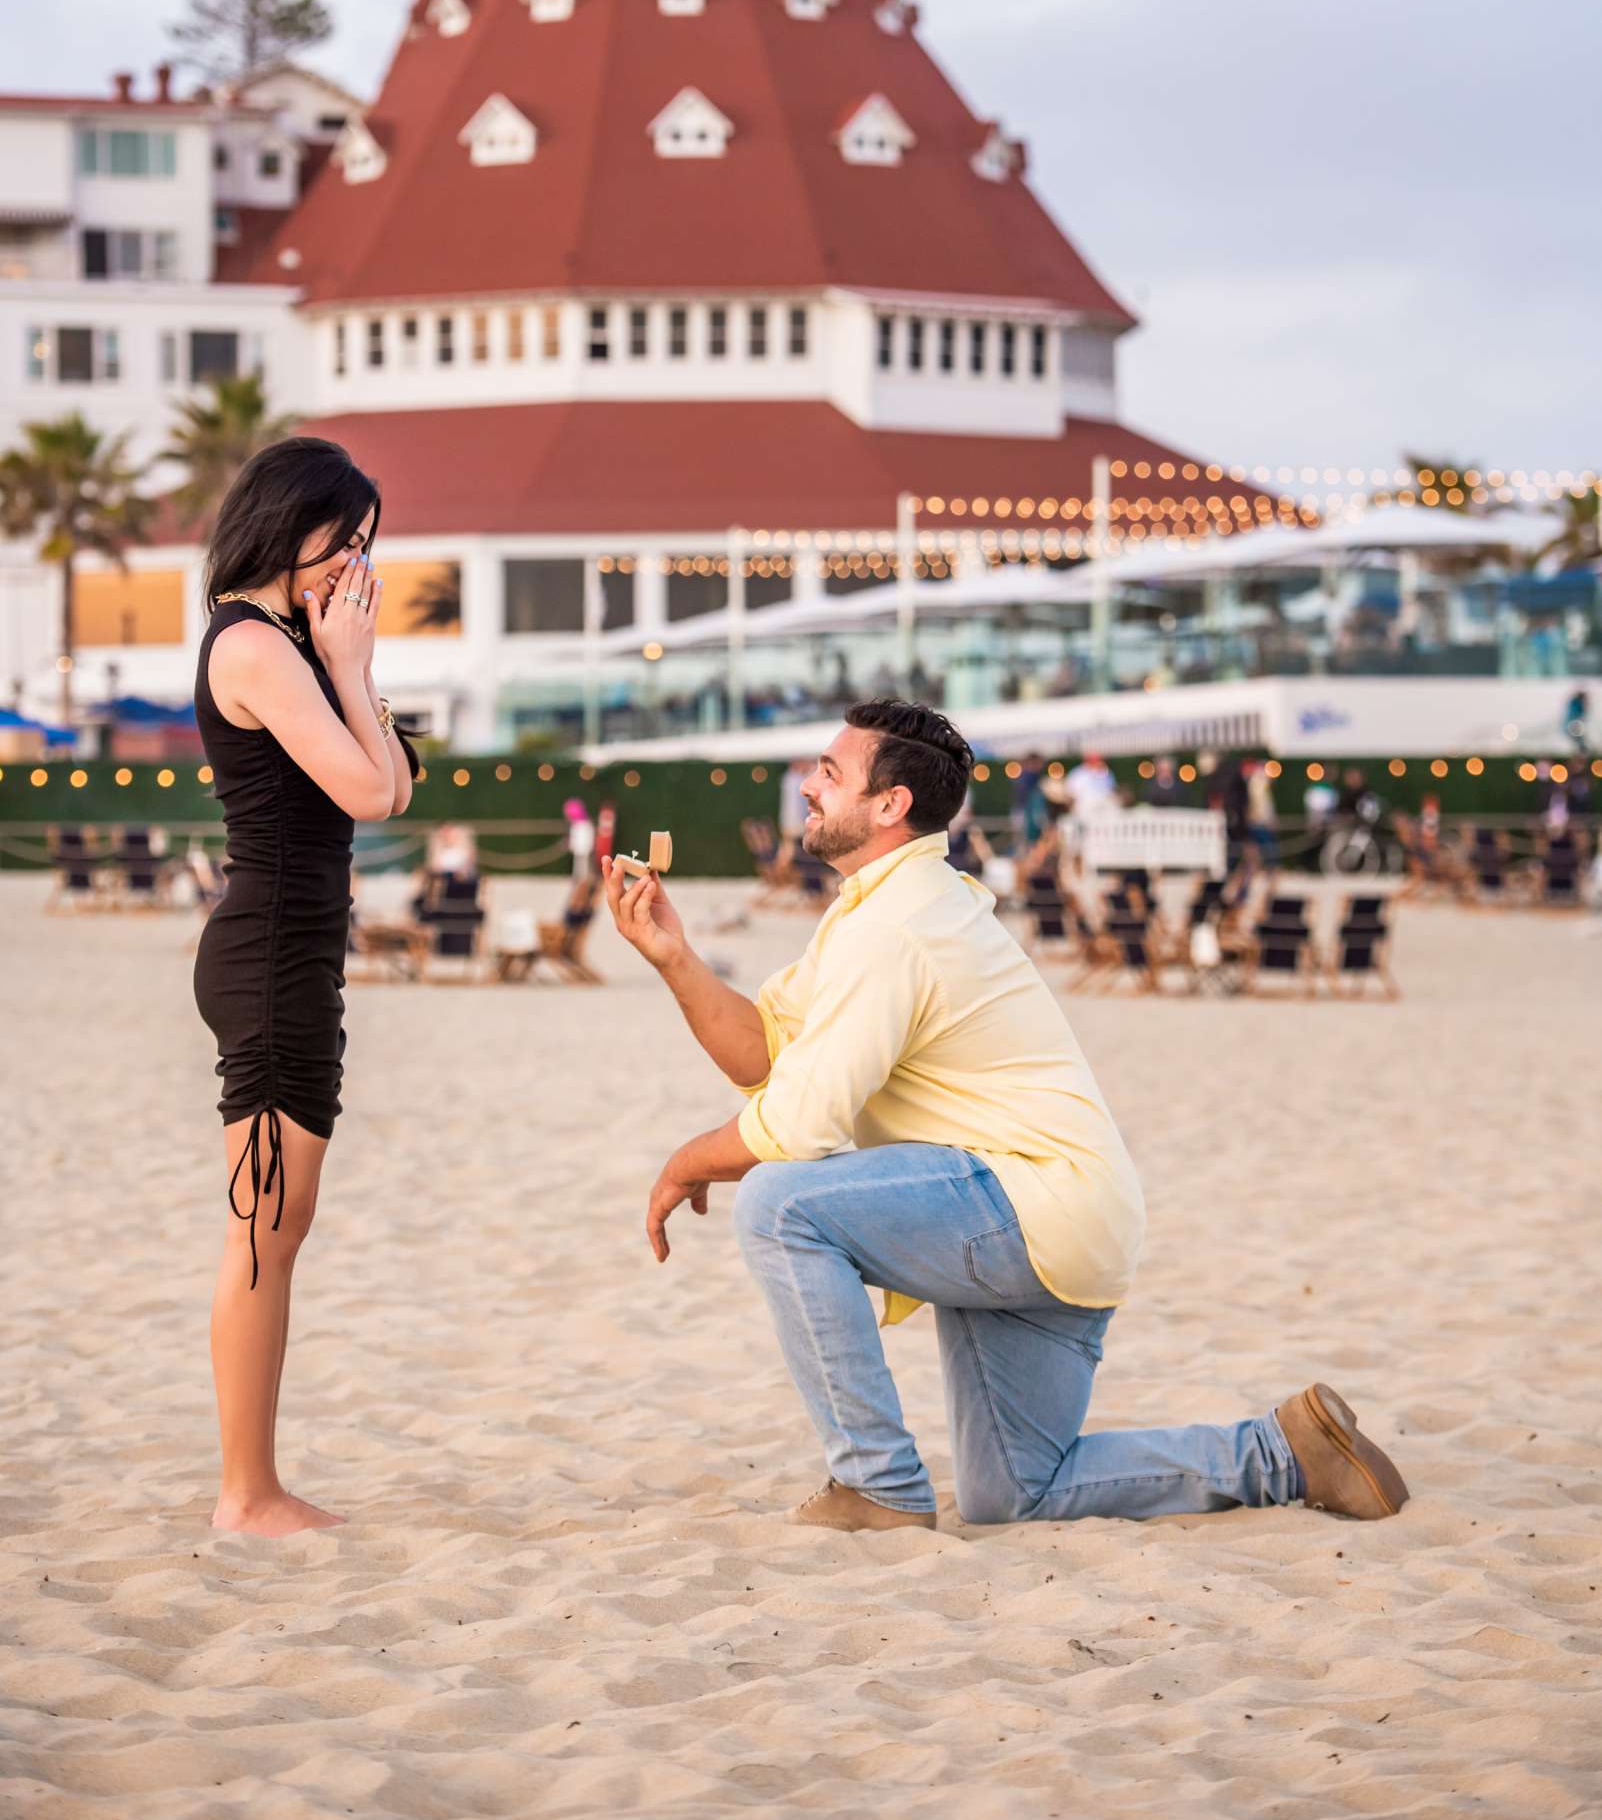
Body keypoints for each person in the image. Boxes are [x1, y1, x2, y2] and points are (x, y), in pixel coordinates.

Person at [604, 698, 1408, 1534]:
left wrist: (685, 1162)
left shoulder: (898, 925)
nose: (808, 786)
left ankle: (874, 1484)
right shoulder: (887, 906)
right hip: (1065, 1219)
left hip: (1025, 1201)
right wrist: (675, 959)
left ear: (890, 805)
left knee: (778, 1204)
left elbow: (803, 1124)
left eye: (830, 773)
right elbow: (769, 1053)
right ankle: (1285, 1454)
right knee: (1015, 1494)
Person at [194, 437, 415, 1537]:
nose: (357, 567)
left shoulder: (293, 642)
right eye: (348, 541)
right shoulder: (255, 646)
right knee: (263, 1230)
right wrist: (346, 668)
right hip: (273, 957)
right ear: (293, 523)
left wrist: (353, 667)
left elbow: (396, 778)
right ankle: (248, 1493)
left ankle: (254, 1485)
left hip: (293, 955)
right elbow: (369, 793)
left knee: (281, 1229)